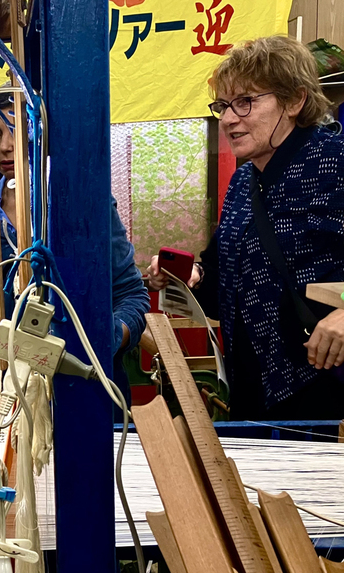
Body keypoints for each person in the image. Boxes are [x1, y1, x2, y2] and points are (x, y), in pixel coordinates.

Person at [146, 35, 344, 420]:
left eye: (245, 102)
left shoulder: (335, 161)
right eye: (223, 105)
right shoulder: (243, 181)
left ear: (294, 100)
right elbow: (224, 278)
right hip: (253, 388)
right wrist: (191, 278)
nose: (228, 118)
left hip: (325, 389)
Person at [0, 92, 150, 427]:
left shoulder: (85, 203)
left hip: (82, 390)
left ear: (41, 135)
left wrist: (104, 338)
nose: (5, 146)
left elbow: (133, 295)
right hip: (2, 401)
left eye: (17, 130)